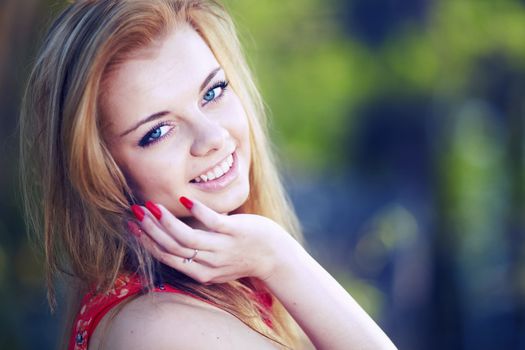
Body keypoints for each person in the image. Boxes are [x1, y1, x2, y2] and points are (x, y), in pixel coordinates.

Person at [20, 0, 398, 349]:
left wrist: (275, 254)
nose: (213, 137)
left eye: (213, 92)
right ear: (103, 173)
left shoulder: (182, 298)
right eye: (158, 131)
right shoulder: (163, 327)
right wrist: (279, 258)